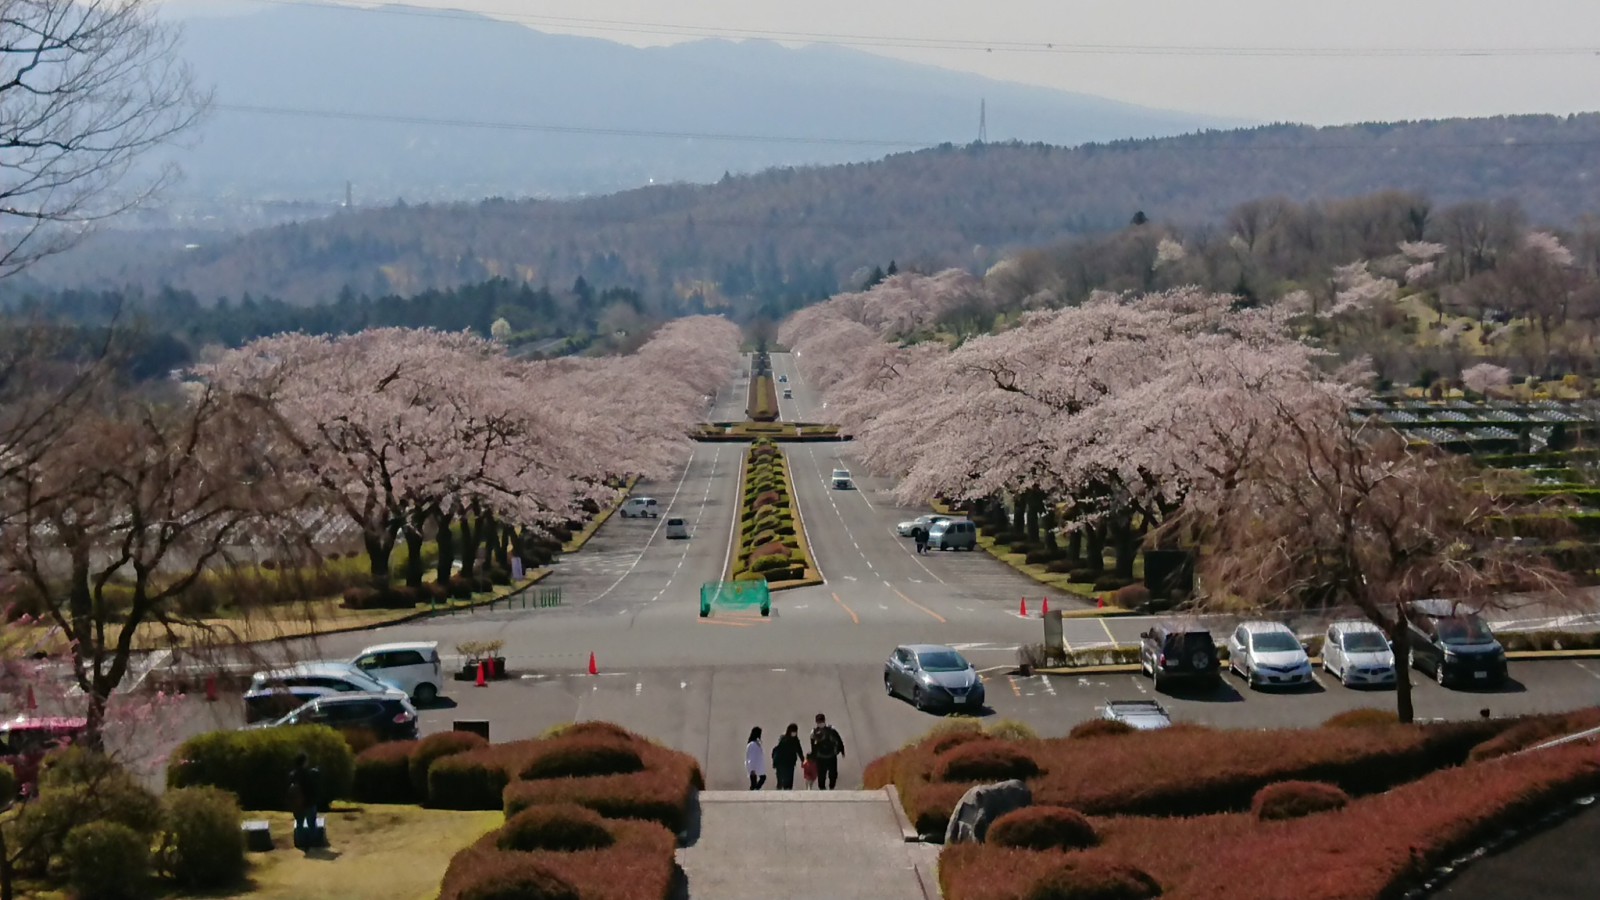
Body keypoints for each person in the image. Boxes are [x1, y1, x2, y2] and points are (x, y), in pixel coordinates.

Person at [287, 752, 322, 850]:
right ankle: (312, 844)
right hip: (309, 803)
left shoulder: (292, 775)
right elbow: (313, 787)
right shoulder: (309, 774)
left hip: (297, 804)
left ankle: (300, 844)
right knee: (312, 824)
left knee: (299, 824)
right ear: (304, 762)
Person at [809, 713, 845, 790]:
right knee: (821, 775)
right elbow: (813, 746)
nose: (820, 723)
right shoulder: (814, 732)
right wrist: (813, 756)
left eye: (821, 721)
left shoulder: (831, 730)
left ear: (824, 721)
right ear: (816, 722)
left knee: (833, 774)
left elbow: (839, 740)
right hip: (820, 757)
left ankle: (831, 787)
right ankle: (822, 789)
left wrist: (842, 750)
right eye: (819, 722)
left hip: (831, 756)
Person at [771, 723, 804, 790]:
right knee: (782, 778)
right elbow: (778, 750)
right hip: (782, 762)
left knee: (789, 779)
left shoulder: (796, 740)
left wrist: (802, 760)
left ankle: (787, 791)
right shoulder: (783, 739)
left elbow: (799, 750)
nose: (794, 732)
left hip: (790, 762)